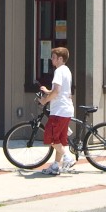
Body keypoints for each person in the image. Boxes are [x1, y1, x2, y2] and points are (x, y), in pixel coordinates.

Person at [37, 47, 75, 175]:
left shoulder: (59, 71)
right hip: (66, 109)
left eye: (53, 57)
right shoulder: (67, 70)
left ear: (60, 59)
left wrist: (45, 100)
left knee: (50, 137)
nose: (51, 59)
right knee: (59, 139)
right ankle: (55, 166)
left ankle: (68, 157)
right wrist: (48, 91)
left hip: (59, 110)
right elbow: (60, 90)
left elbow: (57, 91)